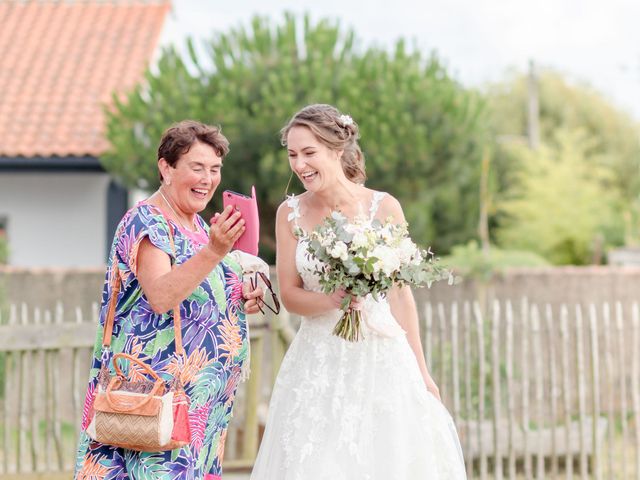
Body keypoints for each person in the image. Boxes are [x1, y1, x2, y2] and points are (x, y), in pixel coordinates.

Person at [251, 104, 467, 479]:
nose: (300, 165)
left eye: (309, 153)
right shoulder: (290, 213)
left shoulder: (383, 207)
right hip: (317, 361)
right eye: (292, 155)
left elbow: (400, 296)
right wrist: (330, 300)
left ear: (336, 150)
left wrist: (422, 371)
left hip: (379, 358)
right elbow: (289, 294)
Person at [74, 120, 264, 480]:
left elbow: (201, 294)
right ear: (166, 168)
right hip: (154, 397)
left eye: (214, 169)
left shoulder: (201, 227)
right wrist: (215, 251)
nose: (207, 179)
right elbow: (161, 295)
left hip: (201, 406)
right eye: (197, 168)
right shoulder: (147, 222)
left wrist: (243, 298)